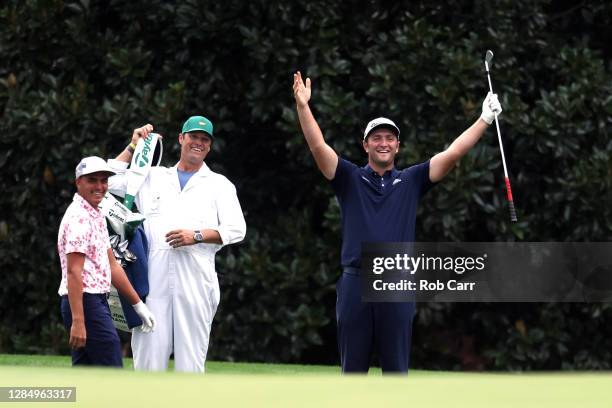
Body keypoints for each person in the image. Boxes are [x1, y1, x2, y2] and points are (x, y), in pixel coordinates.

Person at [292, 71, 502, 373]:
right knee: (352, 373)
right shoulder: (350, 177)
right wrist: (303, 107)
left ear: (397, 146)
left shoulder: (412, 180)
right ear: (366, 145)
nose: (383, 143)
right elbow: (318, 147)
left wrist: (484, 119)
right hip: (355, 281)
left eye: (390, 138)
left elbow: (452, 153)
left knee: (396, 372)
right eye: (376, 138)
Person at [107, 116, 246, 373]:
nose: (198, 143)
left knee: (190, 367)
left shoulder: (219, 185)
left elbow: (237, 229)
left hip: (196, 284)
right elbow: (108, 181)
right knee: (148, 364)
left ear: (209, 146)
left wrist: (196, 235)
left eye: (204, 139)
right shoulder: (153, 176)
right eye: (193, 137)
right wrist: (131, 147)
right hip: (152, 283)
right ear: (181, 138)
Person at [58, 156, 156, 367]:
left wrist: (138, 305)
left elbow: (112, 265)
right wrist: (78, 320)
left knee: (86, 375)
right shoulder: (79, 219)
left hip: (93, 301)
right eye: (92, 180)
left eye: (104, 180)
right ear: (79, 182)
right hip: (84, 302)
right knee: (111, 368)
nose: (100, 186)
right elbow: (74, 273)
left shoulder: (95, 214)